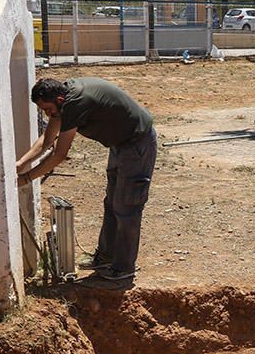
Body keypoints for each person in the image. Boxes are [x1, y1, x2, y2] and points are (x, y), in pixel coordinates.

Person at [17, 77, 156, 284]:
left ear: (60, 99)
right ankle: (106, 258)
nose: (47, 114)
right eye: (43, 110)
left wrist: (27, 178)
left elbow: (59, 154)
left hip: (136, 143)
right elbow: (47, 140)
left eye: (48, 109)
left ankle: (123, 269)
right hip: (119, 145)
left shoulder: (74, 104)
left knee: (127, 207)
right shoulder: (62, 101)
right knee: (111, 204)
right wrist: (21, 163)